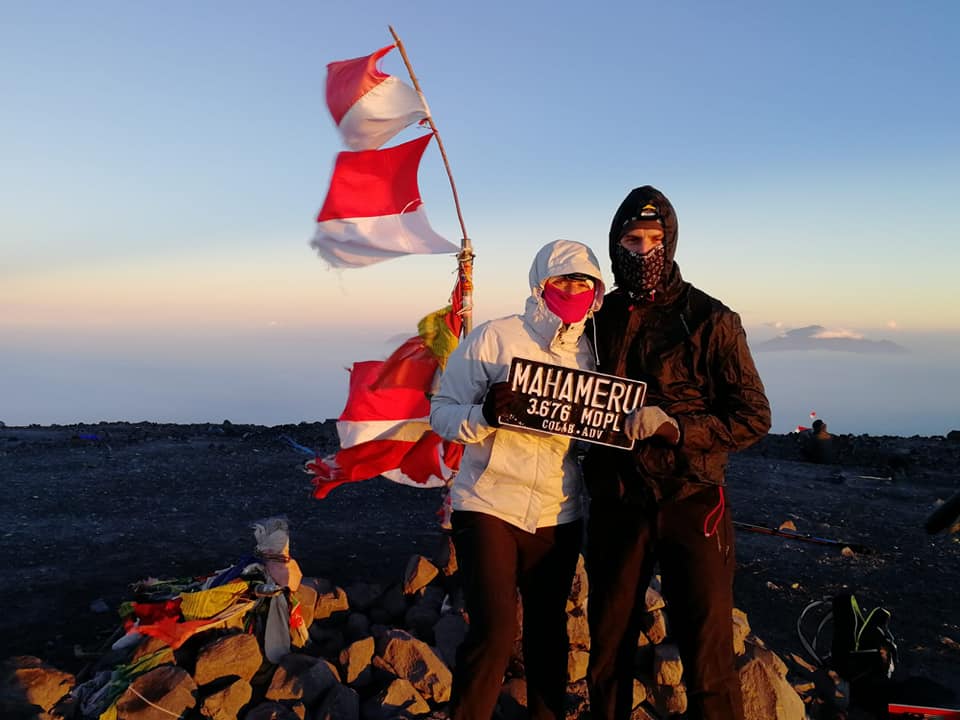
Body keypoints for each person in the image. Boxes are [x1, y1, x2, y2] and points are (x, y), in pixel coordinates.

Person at [583, 186, 771, 720]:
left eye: (655, 239)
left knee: (708, 655)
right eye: (632, 239)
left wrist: (677, 429)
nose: (644, 251)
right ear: (616, 243)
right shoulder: (598, 317)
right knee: (608, 649)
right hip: (618, 501)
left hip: (694, 500)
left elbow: (754, 416)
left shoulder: (711, 318)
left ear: (671, 241)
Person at [430, 239, 605, 720]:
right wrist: (485, 415)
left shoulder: (595, 353)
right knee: (494, 629)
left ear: (597, 290)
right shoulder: (495, 337)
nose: (574, 289)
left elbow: (594, 430)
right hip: (488, 500)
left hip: (558, 509)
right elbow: (442, 414)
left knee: (549, 632)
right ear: (540, 284)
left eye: (584, 281)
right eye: (564, 279)